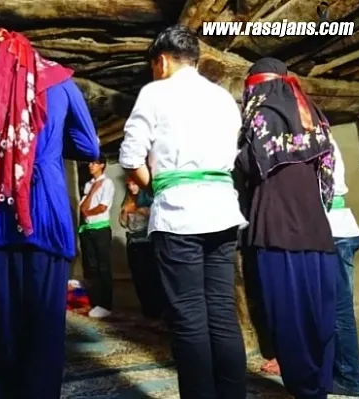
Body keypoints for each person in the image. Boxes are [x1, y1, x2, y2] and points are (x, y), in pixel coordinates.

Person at [0, 28, 100, 399]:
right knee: (42, 344)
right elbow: (90, 146)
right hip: (45, 222)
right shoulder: (61, 82)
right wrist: (42, 151)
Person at [118, 25, 247, 399]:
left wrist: (159, 186)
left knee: (189, 316)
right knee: (222, 313)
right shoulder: (222, 97)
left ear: (160, 61)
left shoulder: (155, 92)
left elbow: (130, 157)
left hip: (179, 214)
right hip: (223, 211)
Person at [234, 57, 337, 399]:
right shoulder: (313, 114)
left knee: (288, 320)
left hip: (275, 231)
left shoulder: (262, 115)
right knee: (319, 317)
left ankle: (303, 389)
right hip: (318, 232)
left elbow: (250, 164)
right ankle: (318, 385)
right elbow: (326, 176)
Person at [327, 138, 359, 396]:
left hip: (334, 231)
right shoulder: (322, 133)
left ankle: (349, 378)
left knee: (339, 313)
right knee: (334, 311)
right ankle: (337, 370)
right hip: (340, 228)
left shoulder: (310, 138)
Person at [119, 178, 163, 321]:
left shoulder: (149, 198)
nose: (132, 187)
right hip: (133, 242)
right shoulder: (127, 200)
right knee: (138, 278)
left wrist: (136, 209)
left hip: (147, 242)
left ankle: (157, 310)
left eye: (134, 184)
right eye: (129, 185)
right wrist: (126, 212)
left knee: (151, 277)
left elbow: (153, 215)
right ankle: (146, 311)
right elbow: (123, 223)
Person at [79, 156, 115, 318]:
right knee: (91, 268)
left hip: (101, 229)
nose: (90, 166)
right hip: (87, 229)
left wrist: (87, 210)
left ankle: (106, 305)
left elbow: (102, 207)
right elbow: (83, 208)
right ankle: (95, 303)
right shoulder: (88, 185)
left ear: (102, 165)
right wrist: (93, 191)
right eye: (90, 162)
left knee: (103, 267)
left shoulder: (107, 183)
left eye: (94, 163)